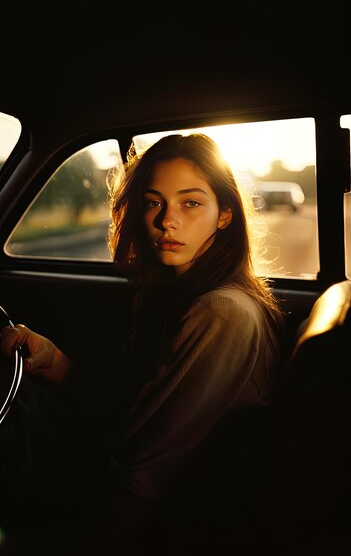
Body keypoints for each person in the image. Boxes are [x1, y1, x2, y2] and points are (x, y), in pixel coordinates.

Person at [0, 133, 284, 552]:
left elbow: (146, 471)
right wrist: (53, 359)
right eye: (154, 202)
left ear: (225, 215)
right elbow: (128, 404)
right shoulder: (166, 293)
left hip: (173, 515)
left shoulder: (222, 311)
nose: (167, 220)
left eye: (191, 203)